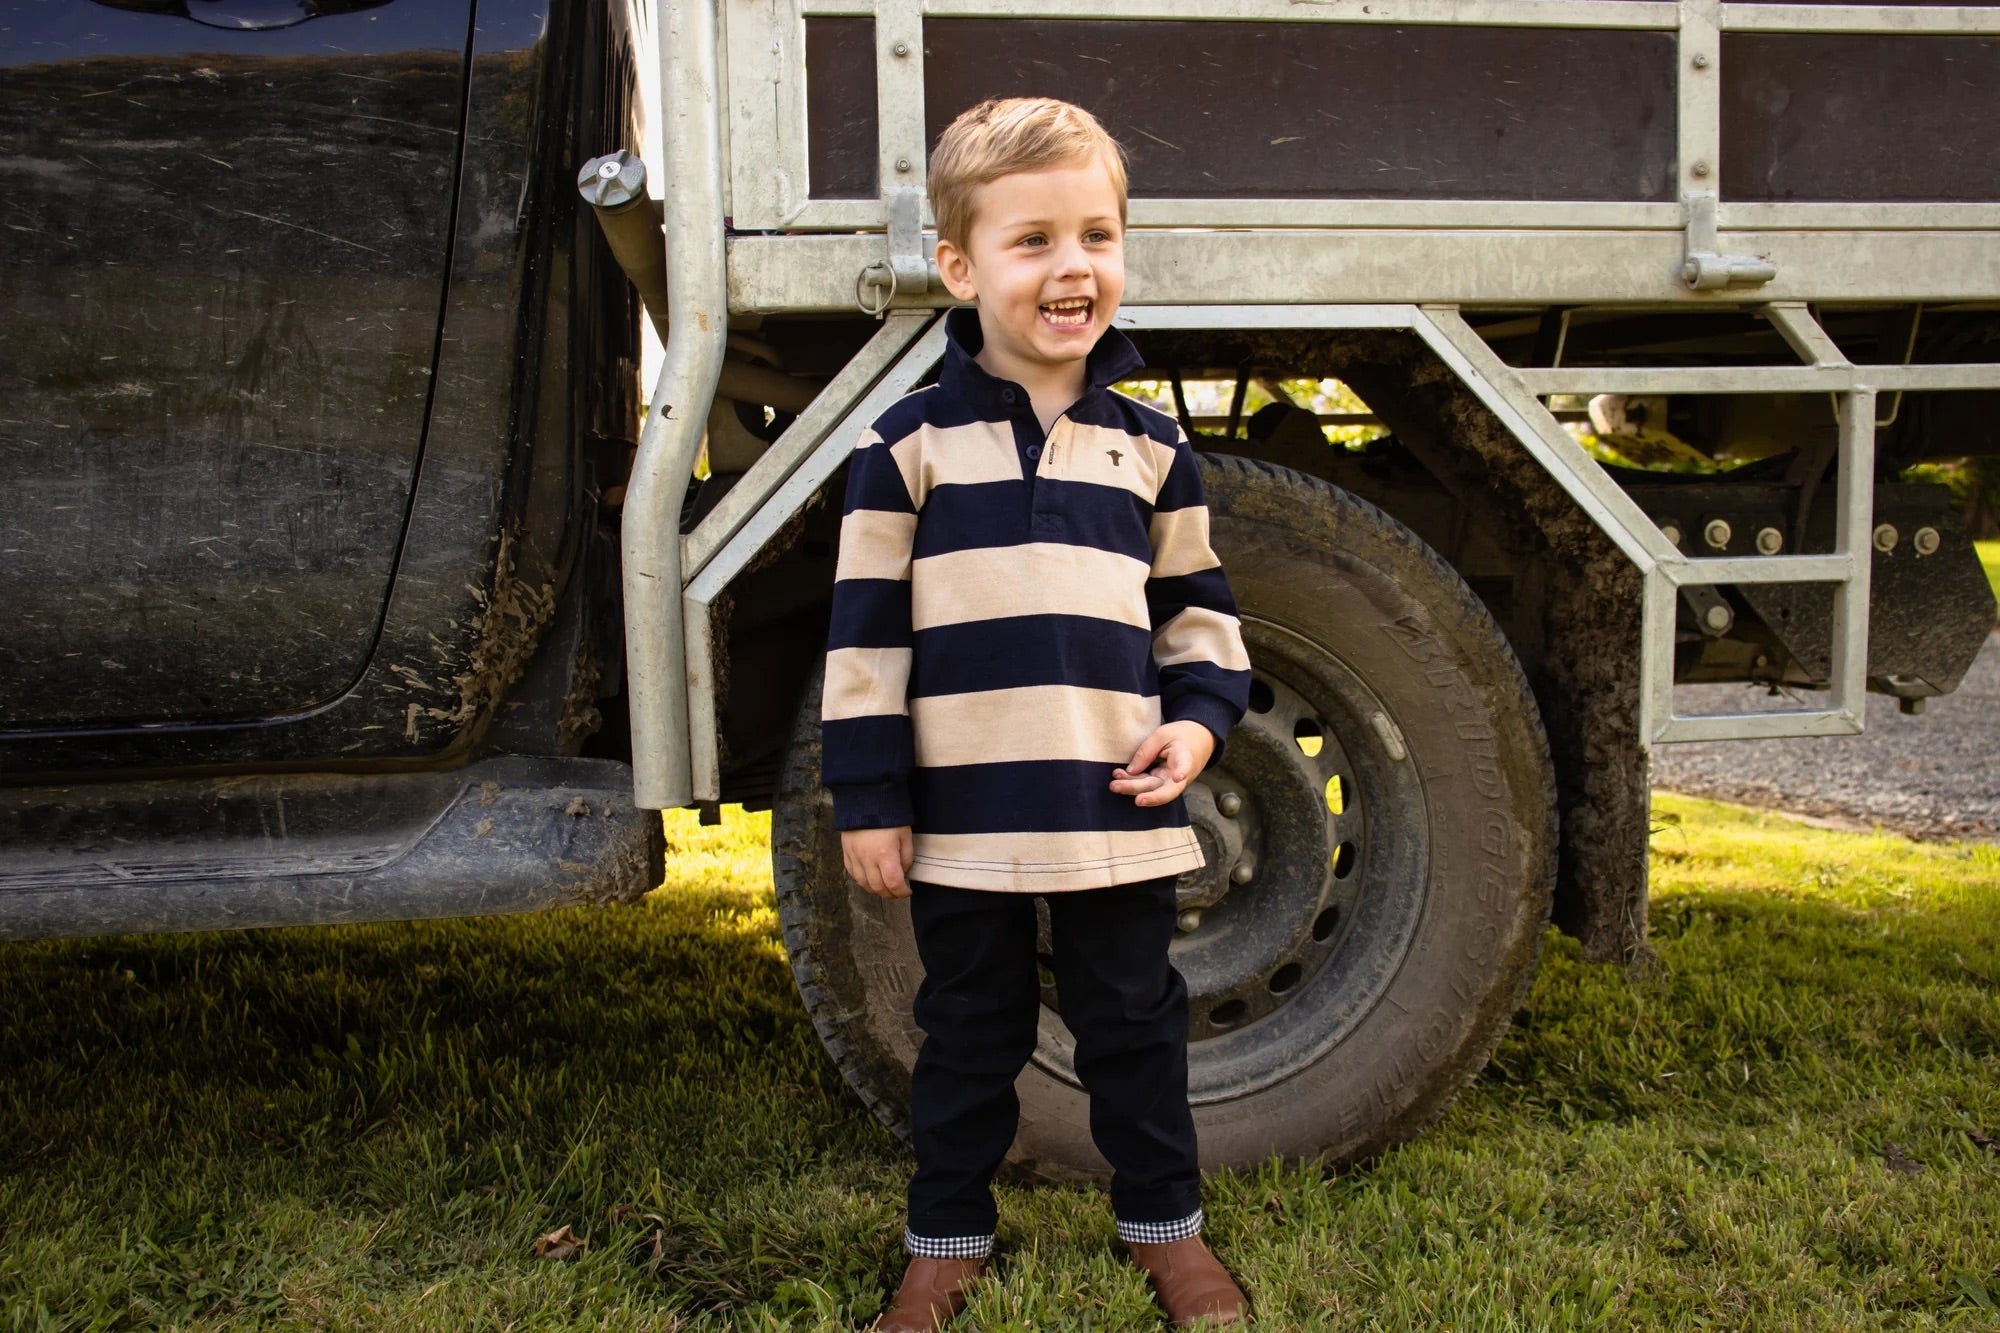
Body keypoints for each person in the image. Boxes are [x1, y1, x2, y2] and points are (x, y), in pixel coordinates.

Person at [819, 96, 1254, 1332]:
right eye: (1032, 242)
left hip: (1114, 809)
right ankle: (944, 1241)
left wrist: (1201, 723)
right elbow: (862, 641)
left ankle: (1167, 1232)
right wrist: (869, 801)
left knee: (1131, 1026)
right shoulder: (904, 448)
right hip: (964, 820)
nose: (1073, 268)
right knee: (966, 1034)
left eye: (1096, 236)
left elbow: (1199, 619)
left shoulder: (1153, 450)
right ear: (957, 267)